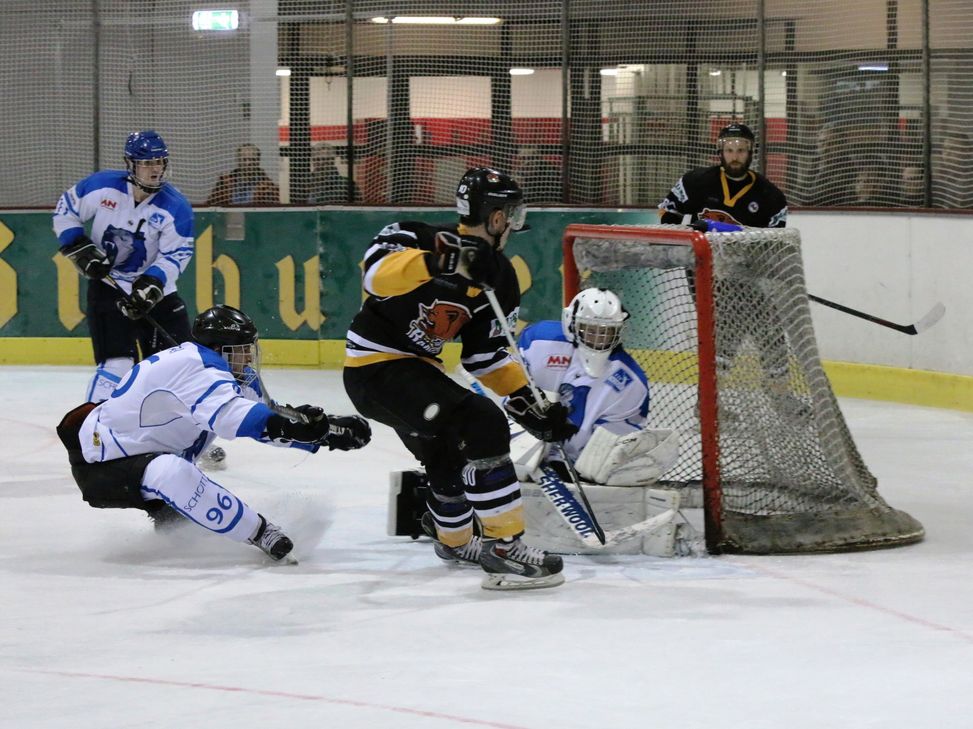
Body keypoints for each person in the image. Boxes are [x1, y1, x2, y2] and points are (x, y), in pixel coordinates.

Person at [343, 167, 577, 591]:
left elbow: (484, 355)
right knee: (481, 422)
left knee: (449, 451)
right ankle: (505, 547)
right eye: (512, 213)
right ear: (495, 218)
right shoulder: (416, 236)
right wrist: (442, 261)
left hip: (417, 374)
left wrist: (528, 403)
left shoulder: (500, 277)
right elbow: (375, 277)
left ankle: (454, 541)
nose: (515, 223)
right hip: (373, 370)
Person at [54, 305, 371, 563]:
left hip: (146, 454)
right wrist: (291, 426)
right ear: (220, 348)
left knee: (183, 527)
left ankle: (171, 516)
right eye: (242, 350)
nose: (248, 358)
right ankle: (262, 533)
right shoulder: (196, 369)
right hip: (104, 465)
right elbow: (234, 417)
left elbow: (263, 417)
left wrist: (323, 431)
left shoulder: (218, 369)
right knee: (171, 472)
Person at [658, 122, 806, 420]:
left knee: (770, 329)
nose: (735, 156)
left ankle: (777, 394)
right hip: (704, 271)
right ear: (720, 151)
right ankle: (709, 403)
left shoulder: (770, 196)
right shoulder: (696, 182)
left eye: (741, 150)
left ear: (751, 152)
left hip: (748, 274)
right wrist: (688, 230)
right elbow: (666, 213)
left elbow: (772, 243)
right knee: (725, 330)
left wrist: (725, 232)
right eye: (729, 150)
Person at [510, 288, 679, 485]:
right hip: (524, 443)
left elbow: (610, 446)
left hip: (572, 466)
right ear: (570, 323)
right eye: (590, 330)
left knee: (600, 467)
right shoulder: (540, 342)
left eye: (606, 332)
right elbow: (512, 393)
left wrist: (582, 467)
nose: (599, 338)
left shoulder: (630, 382)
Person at [204, 143, 280, 206]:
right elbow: (210, 205)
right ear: (238, 160)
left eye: (252, 159)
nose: (248, 163)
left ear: (258, 161)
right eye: (244, 159)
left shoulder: (267, 186)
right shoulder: (224, 183)